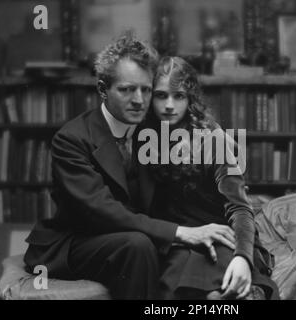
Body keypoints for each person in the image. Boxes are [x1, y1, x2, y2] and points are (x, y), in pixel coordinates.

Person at [23, 35, 235, 299]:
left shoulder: (154, 130)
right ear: (103, 89)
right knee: (139, 245)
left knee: (194, 246)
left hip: (139, 233)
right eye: (126, 89)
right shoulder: (72, 139)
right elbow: (102, 211)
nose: (139, 100)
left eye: (146, 90)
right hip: (80, 239)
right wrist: (180, 232)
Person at [144, 56, 279, 300]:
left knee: (224, 293)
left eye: (179, 96)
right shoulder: (143, 136)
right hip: (179, 241)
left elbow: (240, 208)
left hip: (224, 234)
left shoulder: (212, 140)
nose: (169, 105)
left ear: (190, 99)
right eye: (161, 95)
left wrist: (243, 258)